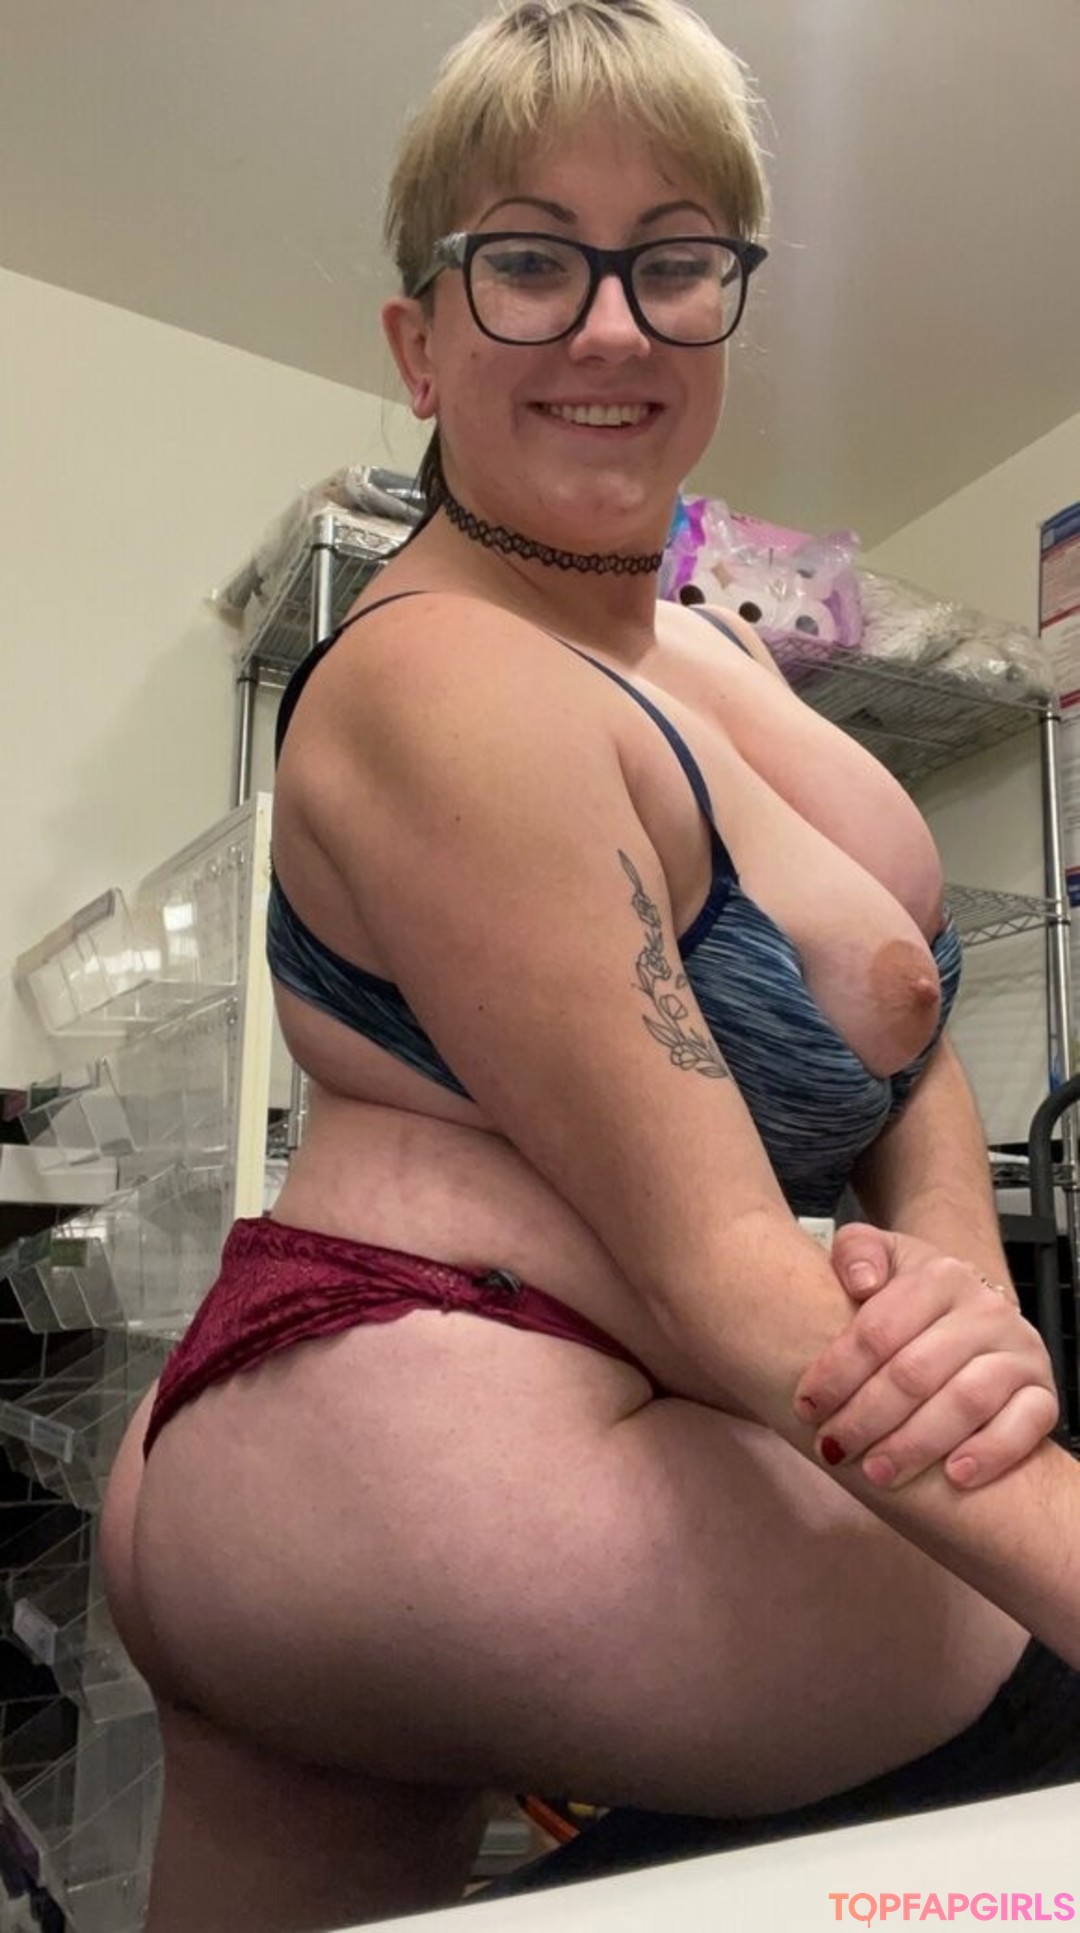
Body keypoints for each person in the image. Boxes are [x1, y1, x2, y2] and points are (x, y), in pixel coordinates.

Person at [99, 4, 1080, 1928]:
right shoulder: (444, 682)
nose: (614, 328)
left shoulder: (710, 651)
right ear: (422, 343)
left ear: (725, 307)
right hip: (415, 1429)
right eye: (534, 264)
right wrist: (994, 1423)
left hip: (449, 1463)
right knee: (1033, 1690)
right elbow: (722, 1269)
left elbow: (905, 1019)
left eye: (674, 262)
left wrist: (963, 1286)